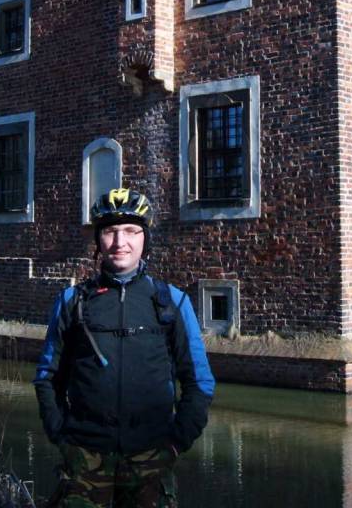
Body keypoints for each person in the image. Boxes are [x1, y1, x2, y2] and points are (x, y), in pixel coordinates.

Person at [34, 188, 215, 508]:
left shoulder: (171, 302)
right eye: (110, 231)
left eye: (131, 231)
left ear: (145, 238)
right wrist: (62, 438)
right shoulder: (72, 302)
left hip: (151, 455)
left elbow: (199, 381)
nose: (120, 242)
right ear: (98, 240)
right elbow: (47, 377)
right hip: (85, 456)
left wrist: (176, 442)